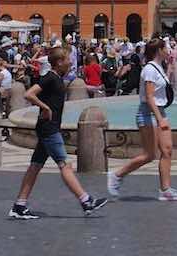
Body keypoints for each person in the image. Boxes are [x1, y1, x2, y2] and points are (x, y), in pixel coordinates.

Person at [7, 47, 109, 219]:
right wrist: (45, 108)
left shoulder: (57, 79)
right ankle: (86, 201)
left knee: (35, 167)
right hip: (49, 128)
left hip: (48, 127)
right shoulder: (50, 78)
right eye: (68, 59)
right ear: (60, 62)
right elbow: (29, 94)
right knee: (64, 165)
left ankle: (19, 205)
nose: (71, 62)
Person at [107, 38, 177, 201]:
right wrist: (159, 119)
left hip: (159, 112)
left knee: (167, 150)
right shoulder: (149, 69)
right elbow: (149, 97)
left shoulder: (158, 67)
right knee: (149, 155)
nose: (168, 50)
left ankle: (166, 189)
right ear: (159, 51)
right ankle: (116, 175)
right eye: (166, 48)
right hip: (149, 114)